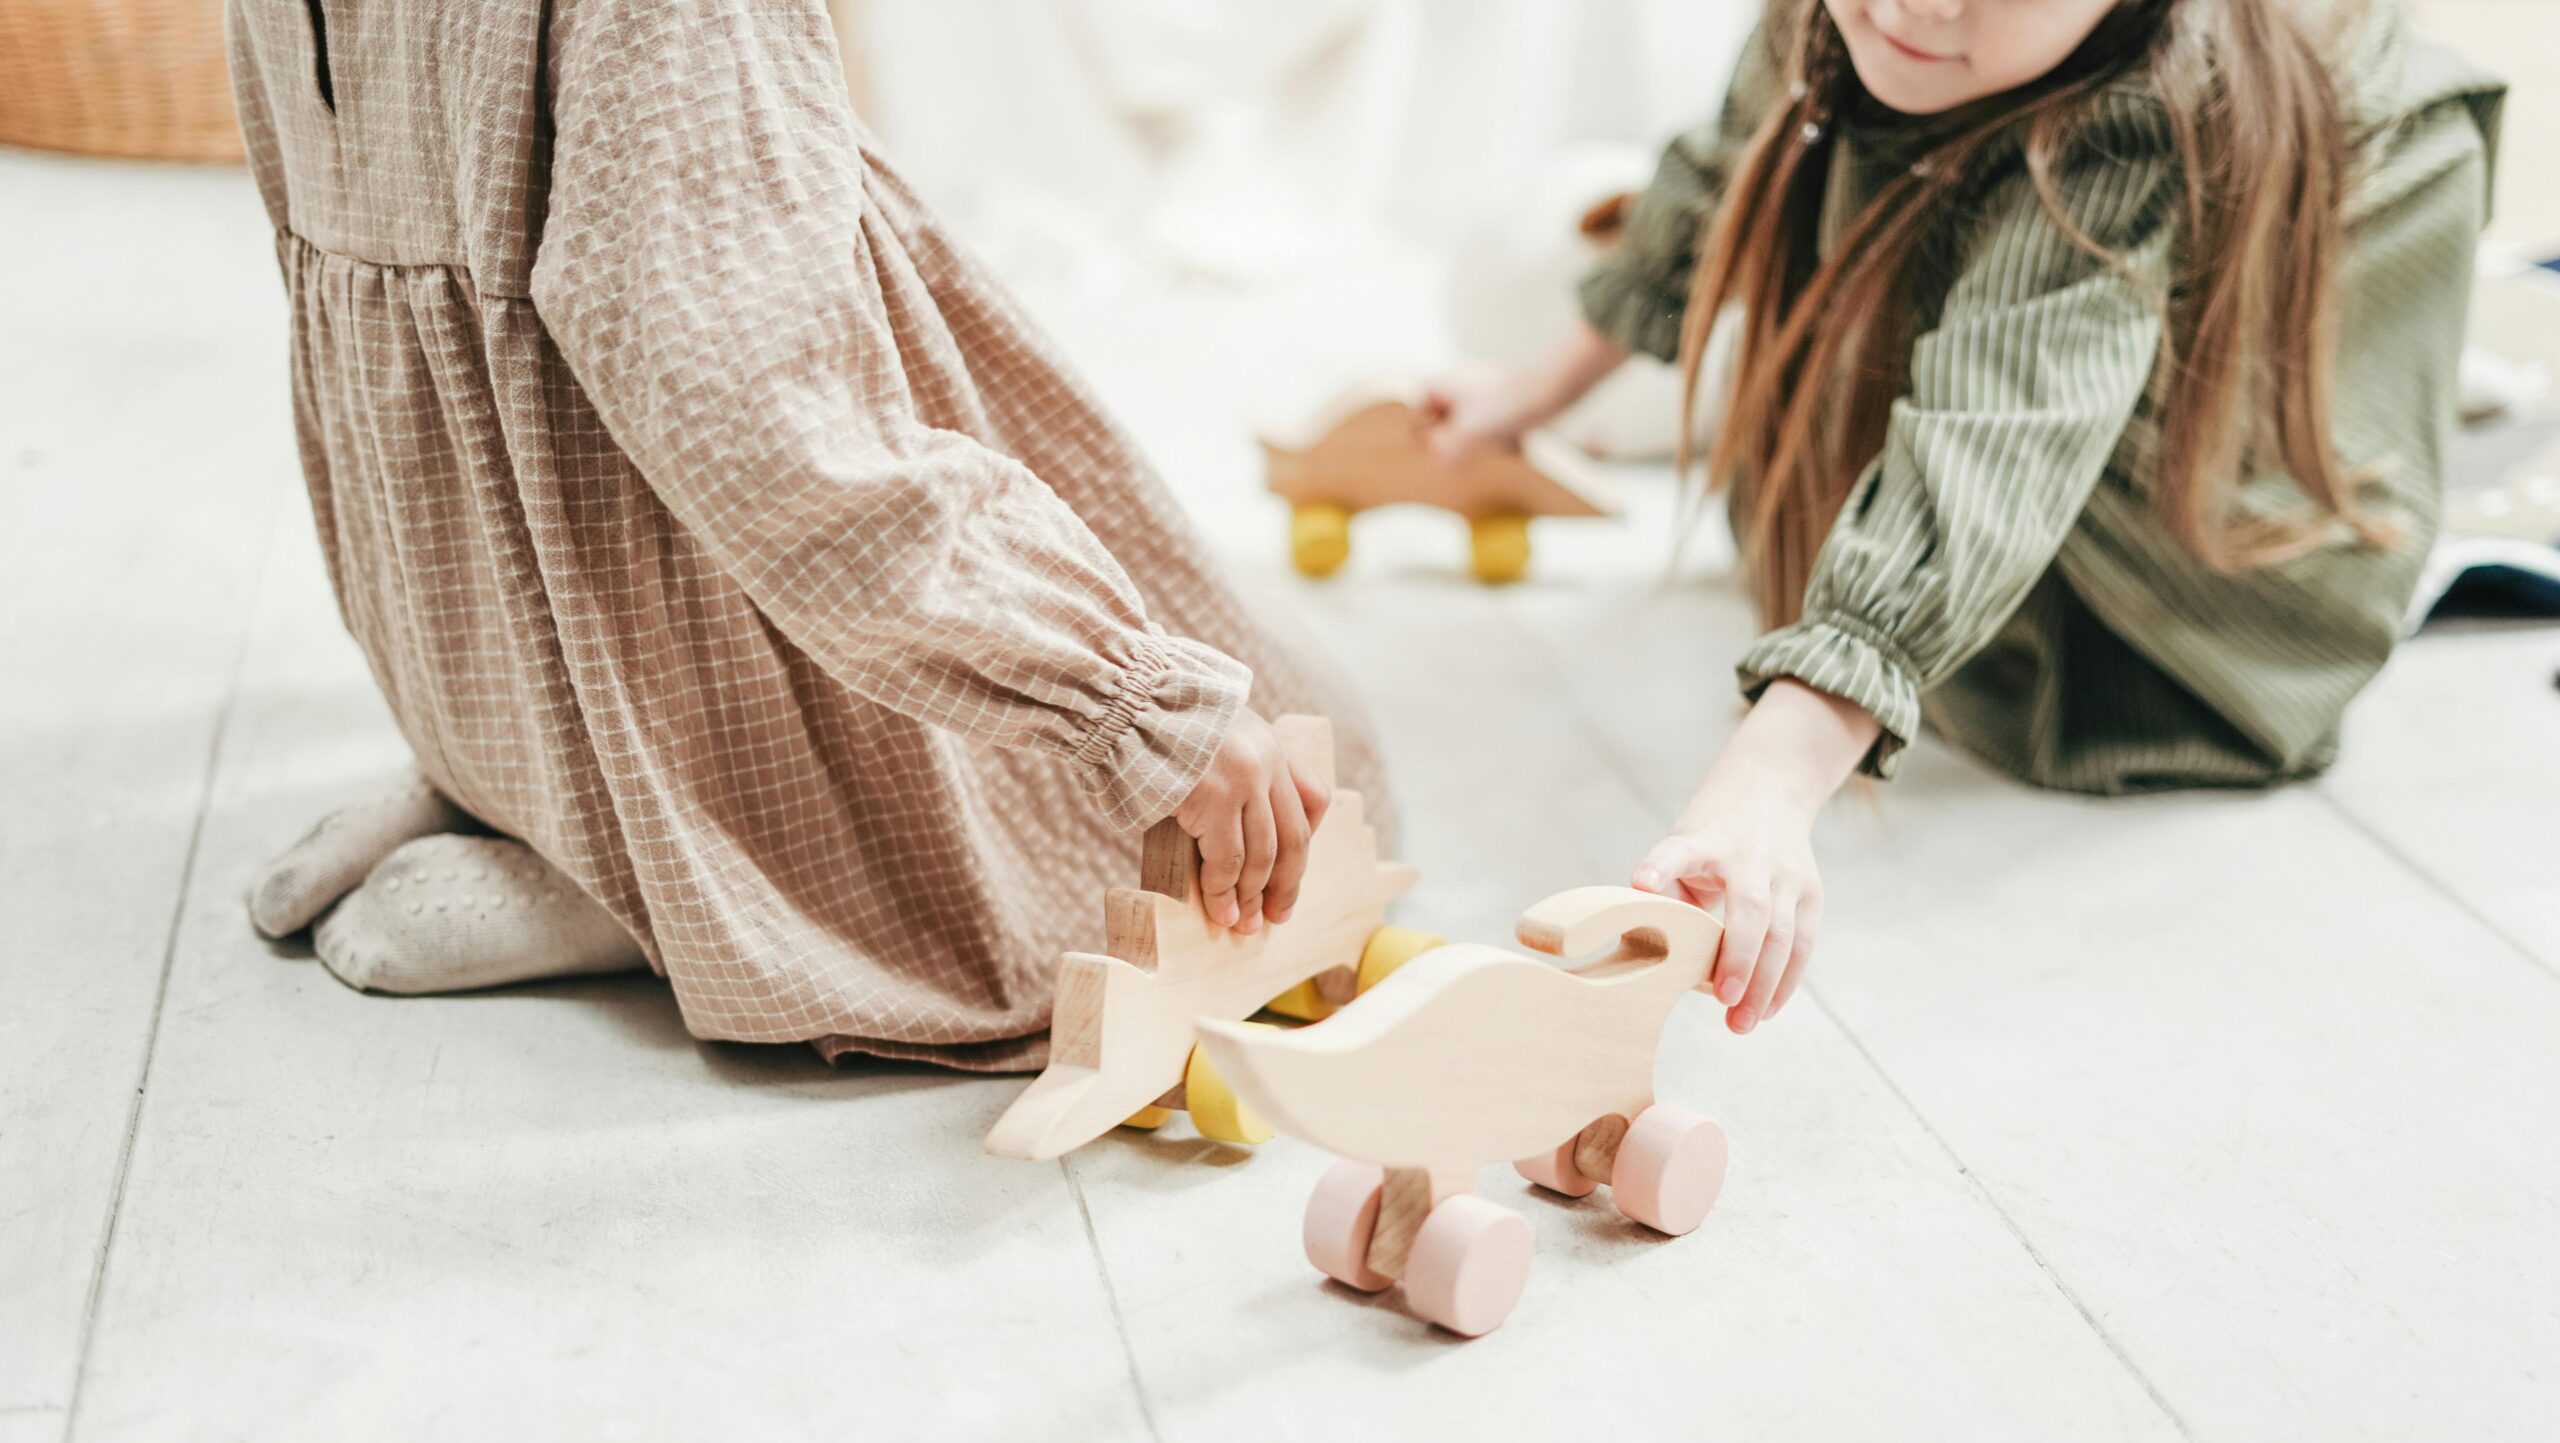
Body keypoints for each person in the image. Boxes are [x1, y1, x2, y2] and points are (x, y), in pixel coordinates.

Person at [224, 0, 1385, 1070]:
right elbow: (753, 409)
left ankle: (514, 781)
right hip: (690, 593)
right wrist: (1131, 699)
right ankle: (673, 876)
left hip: (479, 612)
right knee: (1308, 750)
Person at [1424, 0, 2502, 1036]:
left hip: (2204, 582)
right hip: (2040, 206)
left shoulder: (2150, 104)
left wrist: (1770, 780)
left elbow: (1999, 429)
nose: (1921, 5)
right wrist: (1536, 388)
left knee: (2007, 389)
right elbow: (1732, 153)